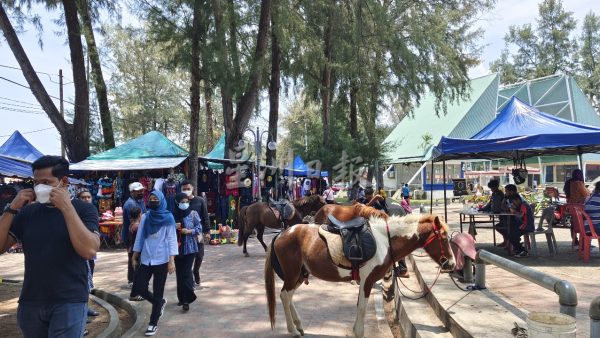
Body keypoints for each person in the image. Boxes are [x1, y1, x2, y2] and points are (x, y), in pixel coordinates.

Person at [0, 156, 100, 338]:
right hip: (31, 301)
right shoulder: (28, 212)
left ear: (64, 181)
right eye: (36, 182)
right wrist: (12, 208)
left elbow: (89, 251)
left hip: (69, 301)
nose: (39, 188)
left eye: (46, 182)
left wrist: (66, 208)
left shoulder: (84, 209)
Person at [132, 190, 178, 336]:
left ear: (161, 200)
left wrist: (172, 261)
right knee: (139, 287)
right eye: (151, 198)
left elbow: (171, 240)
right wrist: (135, 254)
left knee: (158, 291)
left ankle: (153, 323)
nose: (153, 201)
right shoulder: (145, 217)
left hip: (162, 259)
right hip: (146, 259)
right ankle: (159, 303)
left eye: (155, 199)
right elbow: (139, 237)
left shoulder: (168, 218)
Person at [173, 193, 201, 311]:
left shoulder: (193, 214)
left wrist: (189, 231)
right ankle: (181, 298)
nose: (184, 204)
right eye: (182, 202)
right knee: (179, 274)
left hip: (190, 248)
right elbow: (166, 230)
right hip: (176, 248)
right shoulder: (172, 215)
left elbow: (199, 228)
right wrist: (174, 227)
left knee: (186, 272)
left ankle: (187, 300)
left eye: (186, 201)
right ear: (177, 203)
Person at [180, 180, 210, 287]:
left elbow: (205, 216)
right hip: (185, 235)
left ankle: (196, 271)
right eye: (184, 189)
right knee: (188, 257)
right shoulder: (180, 202)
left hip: (198, 233)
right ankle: (191, 279)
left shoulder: (200, 201)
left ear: (192, 188)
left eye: (188, 188)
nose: (186, 191)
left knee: (200, 255)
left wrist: (207, 231)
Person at [123, 182, 146, 289]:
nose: (141, 192)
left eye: (142, 190)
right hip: (132, 235)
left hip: (137, 233)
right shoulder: (130, 204)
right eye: (139, 191)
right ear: (132, 192)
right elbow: (135, 220)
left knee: (136, 256)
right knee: (133, 256)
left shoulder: (140, 201)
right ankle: (132, 280)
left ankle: (134, 279)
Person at [564, 169, 588, 245]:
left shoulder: (568, 183)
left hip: (571, 207)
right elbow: (586, 194)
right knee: (584, 222)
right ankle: (584, 242)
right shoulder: (579, 183)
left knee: (574, 223)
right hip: (579, 207)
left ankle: (574, 240)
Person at [479, 180, 506, 245]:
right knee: (501, 226)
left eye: (492, 188)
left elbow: (496, 205)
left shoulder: (499, 194)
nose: (491, 189)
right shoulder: (494, 193)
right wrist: (483, 209)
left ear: (496, 187)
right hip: (498, 213)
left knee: (503, 227)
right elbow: (490, 203)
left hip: (503, 214)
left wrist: (490, 210)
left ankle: (506, 241)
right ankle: (506, 241)